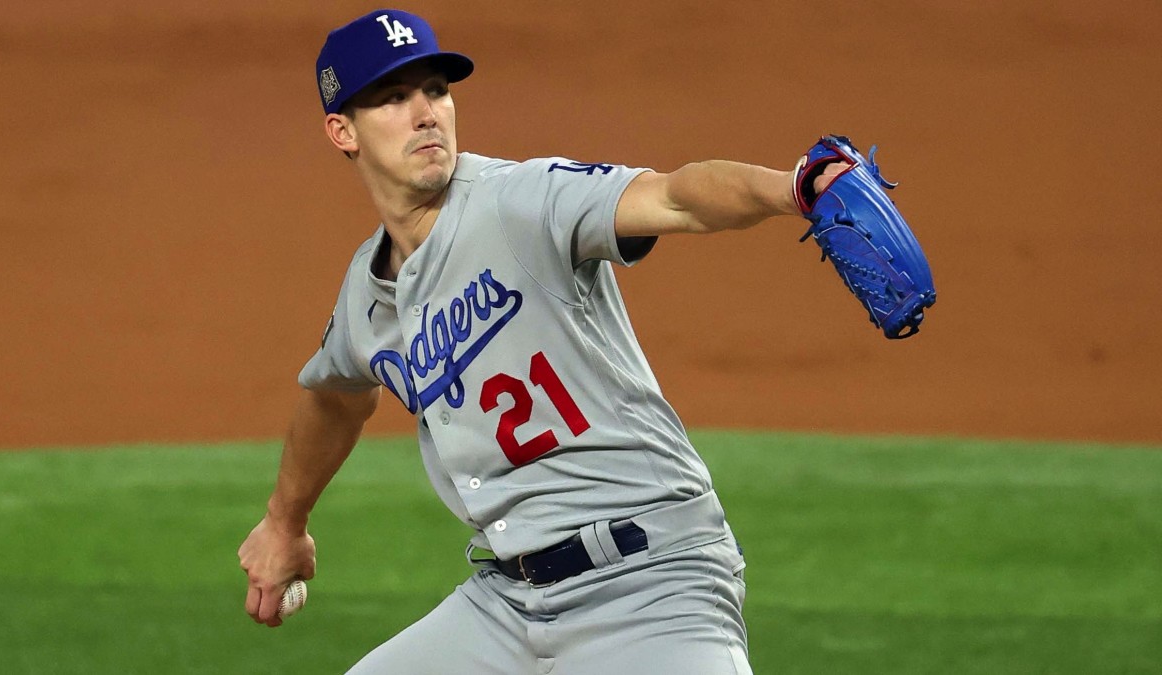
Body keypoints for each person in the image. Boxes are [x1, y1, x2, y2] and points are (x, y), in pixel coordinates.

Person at [237, 8, 845, 674]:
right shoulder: (366, 293)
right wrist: (283, 521)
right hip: (510, 603)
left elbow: (677, 197)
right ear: (341, 130)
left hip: (651, 583)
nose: (426, 113)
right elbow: (334, 396)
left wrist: (791, 188)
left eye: (436, 89)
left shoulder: (521, 200)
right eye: (392, 97)